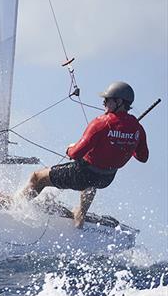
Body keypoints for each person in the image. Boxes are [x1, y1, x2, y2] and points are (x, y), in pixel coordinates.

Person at [20, 81, 149, 228]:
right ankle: (80, 215)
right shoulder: (138, 129)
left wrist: (69, 148)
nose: (103, 103)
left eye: (107, 100)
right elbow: (142, 157)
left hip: (83, 174)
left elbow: (75, 153)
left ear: (119, 102)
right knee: (91, 181)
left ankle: (16, 206)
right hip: (106, 179)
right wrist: (127, 141)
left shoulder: (101, 123)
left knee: (37, 177)